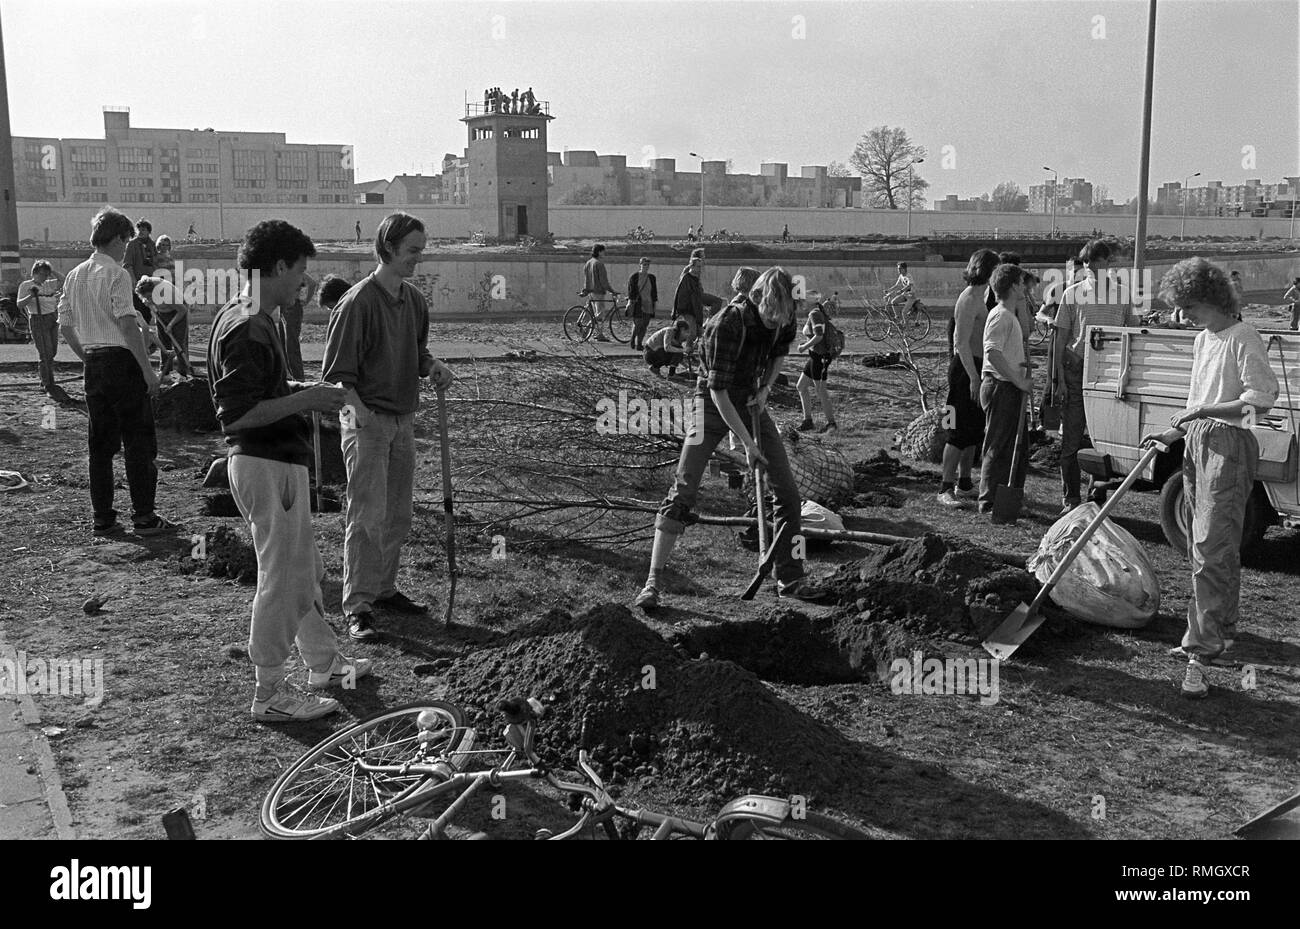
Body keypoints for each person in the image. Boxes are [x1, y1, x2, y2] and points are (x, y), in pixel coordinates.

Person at [208, 219, 371, 722]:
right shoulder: (249, 326)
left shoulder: (249, 316)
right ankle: (269, 692)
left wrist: (303, 392)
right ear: (277, 266)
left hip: (275, 462)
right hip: (265, 463)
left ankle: (322, 664)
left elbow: (261, 393)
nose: (304, 282)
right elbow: (235, 414)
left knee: (303, 571)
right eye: (299, 270)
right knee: (281, 578)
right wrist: (310, 398)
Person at [634, 267, 827, 610]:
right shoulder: (727, 324)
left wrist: (766, 389)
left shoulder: (783, 317)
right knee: (684, 487)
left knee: (788, 493)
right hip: (711, 403)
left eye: (781, 318)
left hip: (752, 399)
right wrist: (748, 445)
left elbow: (780, 351)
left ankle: (790, 576)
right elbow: (719, 392)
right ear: (758, 300)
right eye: (771, 317)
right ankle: (653, 581)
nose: (776, 324)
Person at [1142, 257, 1278, 699]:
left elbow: (1261, 400)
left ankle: (1202, 645)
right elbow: (1196, 398)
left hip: (1229, 444)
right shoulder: (1205, 340)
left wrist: (1204, 413)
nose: (1183, 317)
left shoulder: (1243, 338)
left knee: (1212, 546)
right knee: (1204, 545)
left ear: (1210, 300)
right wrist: (1172, 431)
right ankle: (1222, 629)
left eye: (1189, 308)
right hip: (1197, 441)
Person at [323, 212, 455, 642]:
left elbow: (417, 353)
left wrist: (432, 365)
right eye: (412, 250)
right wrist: (361, 418)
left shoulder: (414, 301)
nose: (418, 257)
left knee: (397, 513)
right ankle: (357, 605)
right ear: (389, 248)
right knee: (366, 515)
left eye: (421, 249)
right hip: (363, 419)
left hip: (403, 419)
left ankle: (384, 589)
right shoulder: (357, 302)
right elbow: (338, 377)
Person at [57, 207, 175, 537]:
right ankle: (144, 517)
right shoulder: (117, 274)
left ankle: (103, 517)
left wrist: (87, 356)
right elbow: (126, 323)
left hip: (94, 363)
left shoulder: (75, 274)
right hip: (121, 364)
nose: (127, 247)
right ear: (118, 239)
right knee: (138, 442)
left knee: (100, 446)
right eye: (126, 241)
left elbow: (65, 325)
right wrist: (147, 372)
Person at [1050, 237, 1132, 515]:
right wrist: (1059, 378)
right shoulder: (1071, 294)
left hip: (1108, 375)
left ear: (1107, 264)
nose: (1089, 269)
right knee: (1071, 439)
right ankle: (1070, 499)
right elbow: (1060, 340)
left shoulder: (1122, 295)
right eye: (1086, 263)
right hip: (1076, 371)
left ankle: (1097, 494)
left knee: (1104, 441)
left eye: (1095, 264)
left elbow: (1130, 336)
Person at [938, 249, 999, 507]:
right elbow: (960, 342)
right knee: (957, 431)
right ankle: (945, 488)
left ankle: (964, 483)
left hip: (977, 367)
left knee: (973, 430)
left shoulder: (983, 297)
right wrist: (974, 377)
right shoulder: (968, 298)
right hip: (964, 370)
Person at [978, 264, 1034, 520]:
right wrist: (1018, 381)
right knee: (998, 447)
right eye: (1022, 282)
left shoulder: (1010, 315)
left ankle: (1008, 499)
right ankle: (988, 501)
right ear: (1012, 285)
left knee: (1017, 447)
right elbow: (992, 353)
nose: (1025, 287)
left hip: (1009, 386)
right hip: (1001, 387)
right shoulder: (1000, 315)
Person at [18, 260, 64, 398]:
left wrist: (52, 271)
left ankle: (47, 380)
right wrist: (31, 295)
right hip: (38, 319)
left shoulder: (48, 284)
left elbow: (64, 279)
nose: (45, 277)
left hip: (52, 318)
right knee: (45, 353)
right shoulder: (26, 285)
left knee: (52, 351)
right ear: (35, 273)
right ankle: (47, 383)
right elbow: (19, 304)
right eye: (43, 274)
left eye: (47, 274)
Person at [795, 299, 837, 433]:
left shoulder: (815, 314)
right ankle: (808, 421)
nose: (802, 303)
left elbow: (819, 336)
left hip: (820, 357)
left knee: (821, 391)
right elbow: (817, 335)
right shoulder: (816, 313)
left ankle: (831, 424)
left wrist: (803, 347)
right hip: (815, 355)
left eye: (804, 301)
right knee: (801, 386)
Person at [137, 277, 190, 378]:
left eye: (149, 297)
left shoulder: (166, 293)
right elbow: (142, 291)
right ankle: (165, 372)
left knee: (179, 343)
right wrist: (145, 300)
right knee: (163, 342)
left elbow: (182, 310)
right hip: (161, 313)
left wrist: (170, 325)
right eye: (146, 297)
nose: (148, 299)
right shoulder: (143, 287)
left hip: (177, 312)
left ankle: (183, 373)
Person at [672, 248, 722, 348]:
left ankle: (707, 322)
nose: (704, 258)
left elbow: (698, 285)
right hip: (691, 298)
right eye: (703, 255)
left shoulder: (698, 268)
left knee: (717, 302)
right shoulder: (689, 270)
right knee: (693, 330)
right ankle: (686, 347)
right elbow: (684, 288)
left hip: (697, 295)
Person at [280, 271, 315, 380]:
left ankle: (297, 376)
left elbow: (312, 283)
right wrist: (306, 301)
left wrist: (306, 301)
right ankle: (291, 375)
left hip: (288, 306)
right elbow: (312, 283)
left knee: (290, 344)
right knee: (287, 343)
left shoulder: (288, 269)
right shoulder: (291, 268)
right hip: (288, 306)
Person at [581, 244, 617, 343]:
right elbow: (604, 281)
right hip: (598, 291)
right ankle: (588, 328)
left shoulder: (588, 263)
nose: (604, 253)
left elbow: (586, 279)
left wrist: (585, 290)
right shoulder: (599, 264)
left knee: (596, 313)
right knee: (600, 314)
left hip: (590, 291)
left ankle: (599, 333)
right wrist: (612, 291)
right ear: (599, 252)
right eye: (603, 251)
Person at [122, 219, 156, 323]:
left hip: (150, 283)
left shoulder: (152, 244)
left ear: (149, 231)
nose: (140, 232)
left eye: (144, 230)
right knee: (138, 310)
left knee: (148, 311)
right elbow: (127, 264)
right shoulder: (132, 245)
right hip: (137, 283)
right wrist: (133, 282)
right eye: (139, 229)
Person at [626, 257, 657, 350]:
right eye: (644, 264)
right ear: (640, 265)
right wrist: (631, 302)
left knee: (645, 325)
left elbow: (654, 292)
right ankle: (633, 339)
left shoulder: (652, 277)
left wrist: (654, 303)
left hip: (648, 303)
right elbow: (631, 291)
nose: (646, 266)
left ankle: (639, 343)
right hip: (637, 303)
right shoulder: (634, 276)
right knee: (638, 324)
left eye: (647, 265)